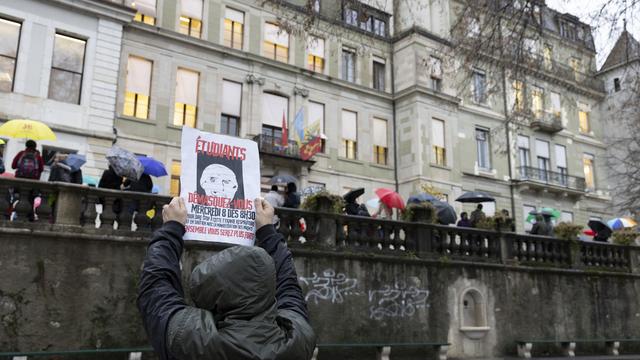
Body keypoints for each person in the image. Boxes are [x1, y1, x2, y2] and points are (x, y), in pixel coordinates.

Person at [137, 197, 316, 360]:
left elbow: (156, 287)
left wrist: (171, 228)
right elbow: (289, 286)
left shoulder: (188, 338)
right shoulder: (298, 338)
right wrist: (268, 231)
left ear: (208, 295)